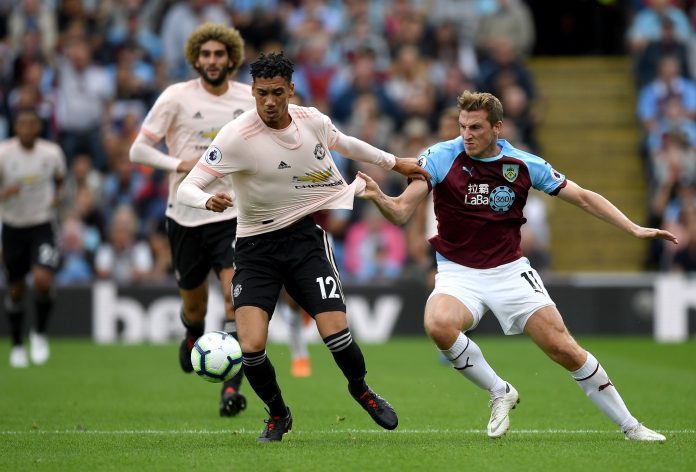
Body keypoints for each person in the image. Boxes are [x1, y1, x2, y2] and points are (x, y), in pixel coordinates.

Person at [356, 90, 677, 442]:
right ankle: (500, 391)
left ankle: (632, 427)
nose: (466, 135)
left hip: (509, 271)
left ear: (498, 127)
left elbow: (583, 197)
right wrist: (381, 198)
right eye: (463, 127)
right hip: (458, 272)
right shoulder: (439, 157)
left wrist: (632, 227)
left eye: (476, 127)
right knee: (438, 324)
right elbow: (402, 210)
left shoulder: (523, 165)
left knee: (564, 349)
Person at [177, 51, 428, 442]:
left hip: (303, 241)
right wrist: (206, 200)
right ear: (254, 93)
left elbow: (347, 145)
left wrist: (396, 163)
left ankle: (360, 388)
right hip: (255, 248)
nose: (270, 102)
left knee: (336, 335)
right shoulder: (235, 136)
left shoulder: (312, 121)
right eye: (262, 94)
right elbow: (188, 186)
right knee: (251, 345)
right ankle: (278, 414)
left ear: (291, 90)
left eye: (278, 92)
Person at [129, 23, 254, 417]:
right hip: (184, 215)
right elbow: (138, 150)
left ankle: (231, 389)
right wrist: (178, 163)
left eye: (219, 55)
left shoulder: (248, 99)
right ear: (196, 59)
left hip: (233, 213)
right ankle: (192, 334)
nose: (212, 61)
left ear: (231, 59)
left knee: (237, 300)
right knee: (195, 307)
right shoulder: (175, 97)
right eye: (206, 55)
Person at [0, 107, 66, 367]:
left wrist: (56, 197)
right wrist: (5, 194)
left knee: (42, 279)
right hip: (13, 226)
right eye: (22, 124)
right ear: (15, 128)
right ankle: (17, 344)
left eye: (32, 124)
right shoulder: (4, 153)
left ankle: (38, 332)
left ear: (38, 128)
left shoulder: (51, 153)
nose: (27, 129)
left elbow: (60, 180)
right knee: (16, 289)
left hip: (42, 223)